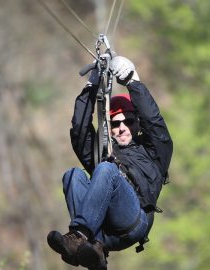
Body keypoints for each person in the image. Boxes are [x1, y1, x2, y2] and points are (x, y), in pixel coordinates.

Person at [47, 56, 173, 270]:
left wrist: (133, 82)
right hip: (102, 229)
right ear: (110, 127)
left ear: (137, 123)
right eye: (115, 123)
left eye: (129, 121)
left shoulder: (153, 152)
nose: (123, 127)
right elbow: (80, 131)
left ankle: (79, 239)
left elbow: (155, 123)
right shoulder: (103, 150)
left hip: (133, 221)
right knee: (73, 175)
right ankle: (93, 251)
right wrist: (91, 86)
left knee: (106, 169)